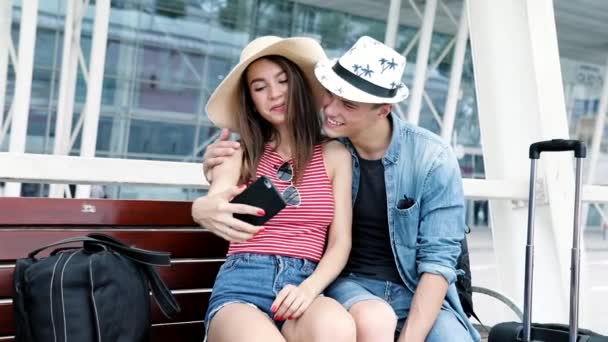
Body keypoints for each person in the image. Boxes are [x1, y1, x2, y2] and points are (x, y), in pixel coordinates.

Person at [202, 36, 481, 342]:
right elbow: (224, 191)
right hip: (343, 283)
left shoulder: (431, 158)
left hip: (410, 287)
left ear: (383, 109)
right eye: (331, 95)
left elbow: (438, 262)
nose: (331, 110)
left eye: (347, 104)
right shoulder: (324, 143)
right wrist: (210, 182)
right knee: (365, 319)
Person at [191, 36, 355, 342]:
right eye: (259, 87)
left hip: (304, 285)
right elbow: (216, 198)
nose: (275, 94)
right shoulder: (240, 153)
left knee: (337, 327)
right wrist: (205, 206)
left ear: (299, 85)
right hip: (243, 286)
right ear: (250, 100)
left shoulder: (335, 156)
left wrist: (309, 288)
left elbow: (340, 243)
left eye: (282, 81)